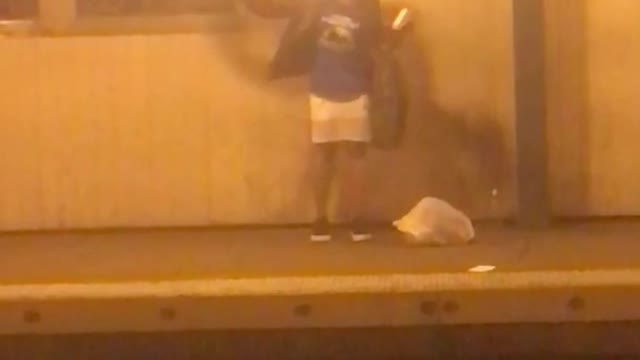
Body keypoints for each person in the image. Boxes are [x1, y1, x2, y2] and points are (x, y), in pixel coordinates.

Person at [269, 0, 386, 242]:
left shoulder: (334, 8)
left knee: (337, 155)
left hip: (337, 90)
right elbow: (376, 44)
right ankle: (341, 221)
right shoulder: (352, 9)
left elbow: (376, 44)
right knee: (343, 155)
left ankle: (337, 221)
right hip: (340, 90)